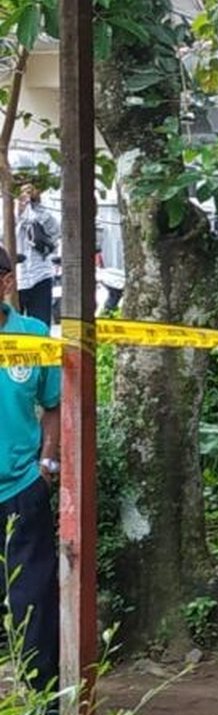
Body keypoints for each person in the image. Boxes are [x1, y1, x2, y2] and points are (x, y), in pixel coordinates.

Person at [0, 246, 60, 691]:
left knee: (32, 598)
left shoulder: (33, 335)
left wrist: (48, 460)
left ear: (4, 283)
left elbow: (55, 404)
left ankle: (41, 697)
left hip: (22, 487)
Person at [15, 184, 60, 326]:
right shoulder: (4, 202)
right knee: (11, 333)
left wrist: (37, 205)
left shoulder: (44, 203)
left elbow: (55, 231)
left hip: (40, 276)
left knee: (40, 329)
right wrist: (18, 212)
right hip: (11, 280)